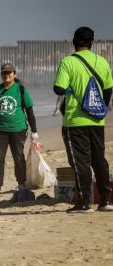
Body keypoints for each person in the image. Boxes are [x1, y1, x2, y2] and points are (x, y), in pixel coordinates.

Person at [53, 26, 113, 213]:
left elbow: (59, 89)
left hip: (75, 120)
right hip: (97, 121)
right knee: (98, 159)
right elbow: (108, 89)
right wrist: (100, 108)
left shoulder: (68, 62)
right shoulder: (102, 62)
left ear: (74, 42)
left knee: (81, 161)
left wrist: (72, 87)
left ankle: (84, 202)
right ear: (91, 42)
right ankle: (105, 200)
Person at [0, 63, 38, 195]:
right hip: (0, 131)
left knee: (18, 157)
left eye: (10, 72)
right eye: (4, 73)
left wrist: (34, 131)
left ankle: (21, 184)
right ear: (1, 74)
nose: (7, 75)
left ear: (14, 74)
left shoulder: (21, 90)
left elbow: (29, 111)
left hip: (18, 129)